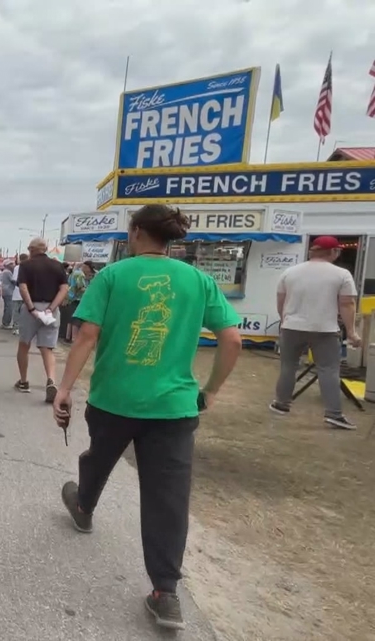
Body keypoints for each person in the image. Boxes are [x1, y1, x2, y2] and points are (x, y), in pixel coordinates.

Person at [51, 204, 242, 631]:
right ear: (170, 237)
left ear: (135, 232)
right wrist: (208, 391)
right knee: (167, 497)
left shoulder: (113, 276)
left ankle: (83, 505)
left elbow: (87, 335)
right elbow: (232, 339)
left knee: (99, 458)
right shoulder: (198, 280)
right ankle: (165, 594)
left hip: (113, 399)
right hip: (174, 407)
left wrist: (63, 389)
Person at [270, 235, 361, 429]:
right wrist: (352, 332)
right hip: (325, 329)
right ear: (334, 252)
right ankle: (334, 414)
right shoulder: (341, 274)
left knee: (288, 366)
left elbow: (281, 300)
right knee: (328, 370)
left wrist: (285, 319)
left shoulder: (290, 272)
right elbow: (347, 304)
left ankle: (281, 404)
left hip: (291, 327)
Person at [14, 239, 69, 401]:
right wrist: (51, 308)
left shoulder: (26, 265)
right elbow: (64, 288)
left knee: (24, 344)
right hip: (50, 309)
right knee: (47, 348)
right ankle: (51, 380)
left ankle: (24, 381)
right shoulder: (57, 265)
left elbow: (23, 287)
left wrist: (31, 308)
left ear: (31, 249)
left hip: (31, 308)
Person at [64, 262, 95, 344]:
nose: (89, 272)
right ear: (86, 267)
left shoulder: (74, 272)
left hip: (71, 297)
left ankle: (68, 337)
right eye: (89, 269)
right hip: (76, 298)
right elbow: (80, 287)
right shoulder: (80, 274)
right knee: (76, 319)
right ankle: (74, 338)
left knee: (71, 319)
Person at [9, 252, 29, 333]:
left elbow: (14, 280)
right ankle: (22, 327)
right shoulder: (29, 267)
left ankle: (16, 327)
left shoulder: (17, 267)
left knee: (16, 311)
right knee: (25, 312)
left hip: (17, 292)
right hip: (26, 293)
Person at [0, 261, 16, 328]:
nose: (13, 265)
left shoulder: (4, 272)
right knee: (9, 308)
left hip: (5, 291)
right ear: (8, 265)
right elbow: (13, 280)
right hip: (8, 291)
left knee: (7, 307)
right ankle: (6, 323)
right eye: (11, 264)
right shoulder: (8, 272)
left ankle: (5, 322)